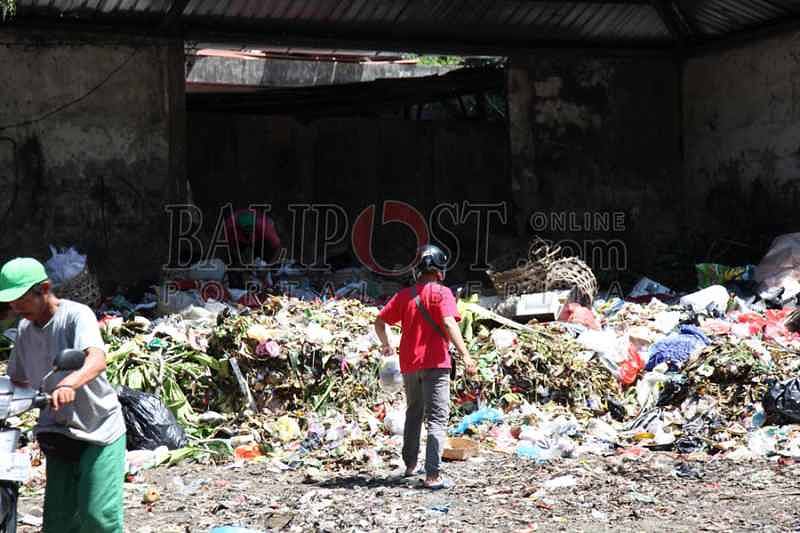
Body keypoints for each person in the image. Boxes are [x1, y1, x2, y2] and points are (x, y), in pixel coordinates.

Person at [0, 257, 126, 532]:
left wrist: (68, 384)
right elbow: (17, 379)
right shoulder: (23, 329)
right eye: (11, 302)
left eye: (21, 299)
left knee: (99, 517)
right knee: (58, 524)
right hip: (57, 431)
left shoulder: (76, 315)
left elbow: (96, 359)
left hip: (98, 430)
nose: (16, 307)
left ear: (44, 288)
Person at [374, 244, 476, 489]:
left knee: (414, 413)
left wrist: (387, 345)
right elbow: (449, 324)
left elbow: (379, 321)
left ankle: (410, 465)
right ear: (439, 269)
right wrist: (466, 355)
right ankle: (433, 476)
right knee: (437, 419)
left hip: (409, 364)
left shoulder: (404, 295)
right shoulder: (442, 293)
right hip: (436, 362)